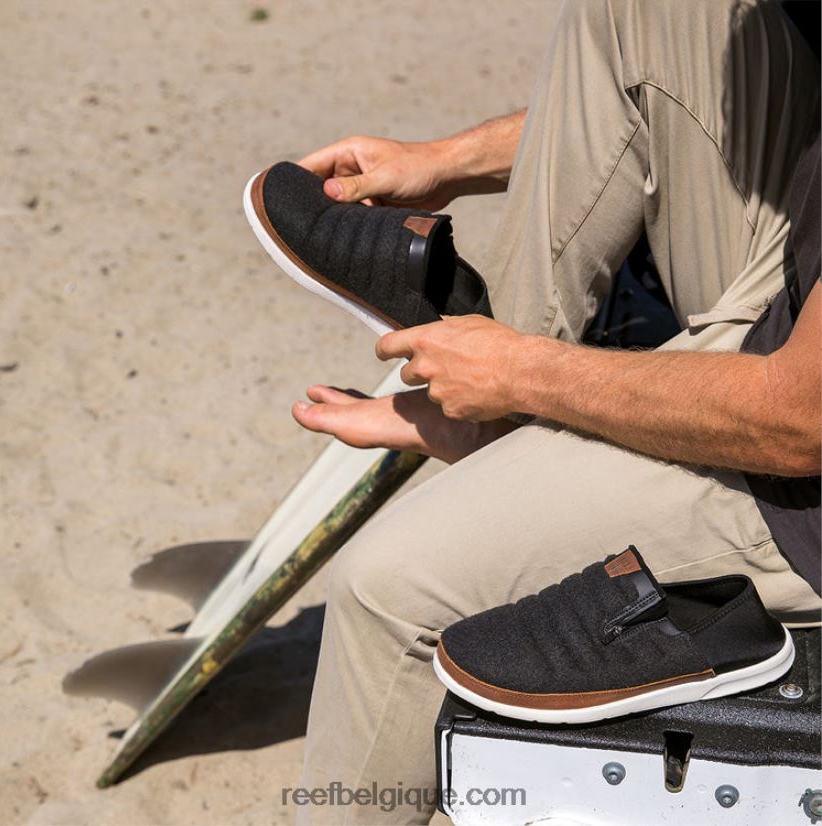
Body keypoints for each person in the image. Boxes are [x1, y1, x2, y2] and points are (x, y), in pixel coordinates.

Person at [285, 1, 821, 822]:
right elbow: (653, 91)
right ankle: (493, 423)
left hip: (799, 471)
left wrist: (529, 375)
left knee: (386, 589)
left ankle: (507, 407)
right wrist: (445, 161)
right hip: (793, 288)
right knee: (651, 13)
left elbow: (798, 419)